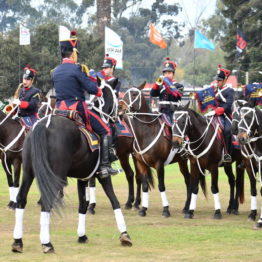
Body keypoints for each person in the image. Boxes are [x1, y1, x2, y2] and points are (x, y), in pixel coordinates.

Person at [51, 30, 118, 178]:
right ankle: (105, 166)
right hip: (76, 109)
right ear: (73, 53)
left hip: (59, 110)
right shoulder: (76, 69)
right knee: (106, 130)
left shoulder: (55, 71)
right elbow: (91, 88)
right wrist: (99, 92)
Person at [150, 57, 184, 127]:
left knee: (176, 129)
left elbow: (177, 96)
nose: (167, 75)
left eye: (169, 73)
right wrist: (156, 85)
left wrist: (167, 84)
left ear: (173, 74)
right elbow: (152, 94)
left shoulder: (179, 86)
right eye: (165, 73)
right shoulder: (161, 86)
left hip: (173, 113)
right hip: (161, 112)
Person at [213, 64, 234, 163]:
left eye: (219, 80)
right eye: (217, 80)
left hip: (226, 116)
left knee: (227, 131)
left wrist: (221, 109)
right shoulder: (214, 90)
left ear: (225, 80)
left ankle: (227, 153)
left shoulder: (230, 90)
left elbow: (229, 105)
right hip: (214, 114)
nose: (217, 82)